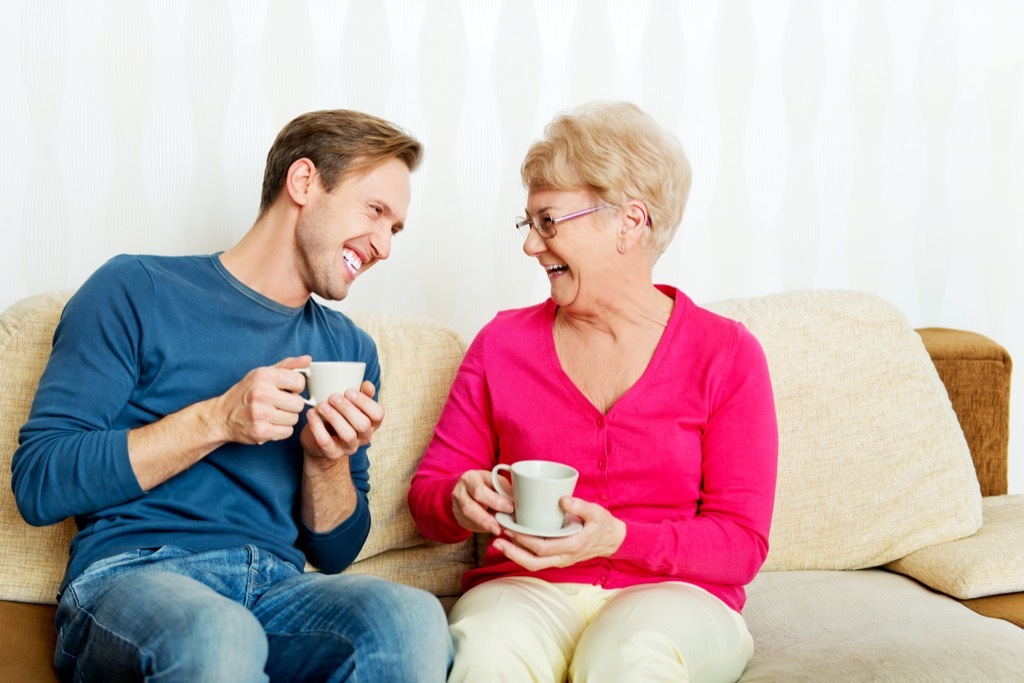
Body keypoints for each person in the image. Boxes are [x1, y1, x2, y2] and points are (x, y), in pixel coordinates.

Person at [12, 110, 453, 682]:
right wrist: (217, 419)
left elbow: (337, 554)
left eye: (395, 229)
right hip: (135, 577)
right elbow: (39, 482)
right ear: (303, 182)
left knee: (410, 616)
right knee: (221, 635)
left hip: (278, 588)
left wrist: (326, 461)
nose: (384, 247)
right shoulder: (136, 289)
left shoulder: (348, 348)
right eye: (376, 211)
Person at [408, 101, 778, 682]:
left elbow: (740, 542)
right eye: (528, 223)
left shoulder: (726, 354)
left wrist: (622, 538)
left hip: (674, 595)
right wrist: (458, 499)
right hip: (527, 589)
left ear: (630, 222)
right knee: (487, 650)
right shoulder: (501, 345)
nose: (531, 245)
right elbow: (429, 495)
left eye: (549, 221)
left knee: (626, 660)